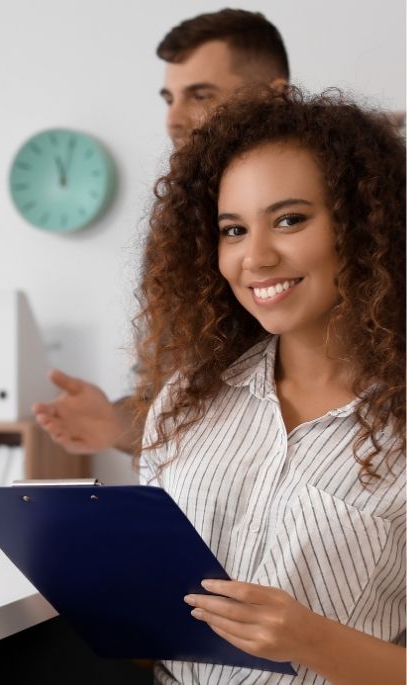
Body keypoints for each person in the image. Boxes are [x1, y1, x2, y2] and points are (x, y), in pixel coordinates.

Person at [137, 88, 405, 683]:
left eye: (289, 220)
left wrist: (311, 639)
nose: (254, 257)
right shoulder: (187, 402)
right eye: (232, 230)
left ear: (365, 227)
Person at [34, 8, 289, 457]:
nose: (174, 119)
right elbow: (170, 406)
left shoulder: (350, 212)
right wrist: (113, 423)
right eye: (168, 98)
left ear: (273, 97)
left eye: (200, 95)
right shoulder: (177, 232)